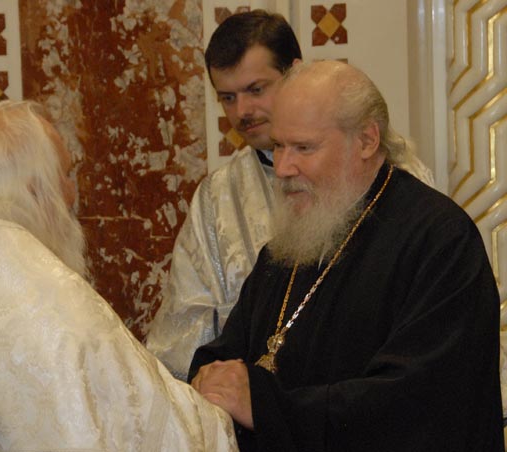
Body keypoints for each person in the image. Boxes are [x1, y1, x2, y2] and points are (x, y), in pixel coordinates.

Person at [188, 60, 504, 451]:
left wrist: (268, 408)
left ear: (367, 141)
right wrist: (210, 379)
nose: (282, 168)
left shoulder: (440, 241)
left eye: (303, 148)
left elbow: (419, 402)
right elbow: (226, 354)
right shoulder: (290, 246)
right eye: (278, 146)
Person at [0, 100, 238, 451]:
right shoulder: (57, 307)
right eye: (65, 174)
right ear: (35, 190)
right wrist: (216, 410)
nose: (72, 194)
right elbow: (161, 429)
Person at [146, 9, 435, 381]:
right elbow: (182, 339)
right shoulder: (217, 197)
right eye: (228, 97)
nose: (242, 112)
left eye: (256, 89)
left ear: (296, 73)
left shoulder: (395, 180)